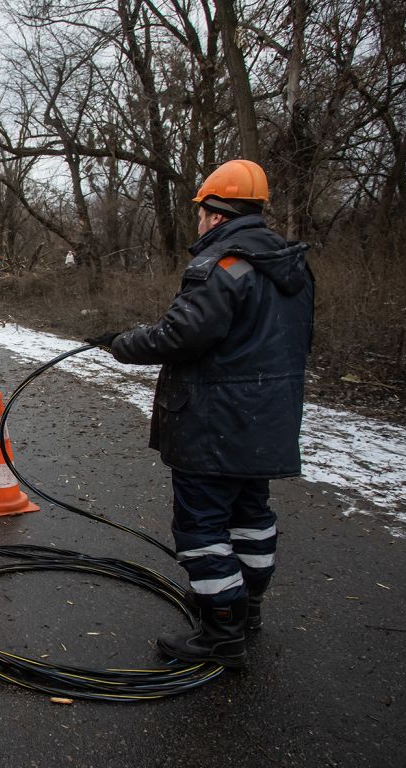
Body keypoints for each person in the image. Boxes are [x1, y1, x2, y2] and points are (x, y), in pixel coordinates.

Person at [86, 159, 315, 667]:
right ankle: (245, 608)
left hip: (214, 423)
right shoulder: (292, 268)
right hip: (267, 422)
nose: (199, 221)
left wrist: (121, 343)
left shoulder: (224, 266)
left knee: (202, 528)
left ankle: (221, 631)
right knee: (251, 518)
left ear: (215, 213)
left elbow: (179, 335)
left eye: (200, 212)